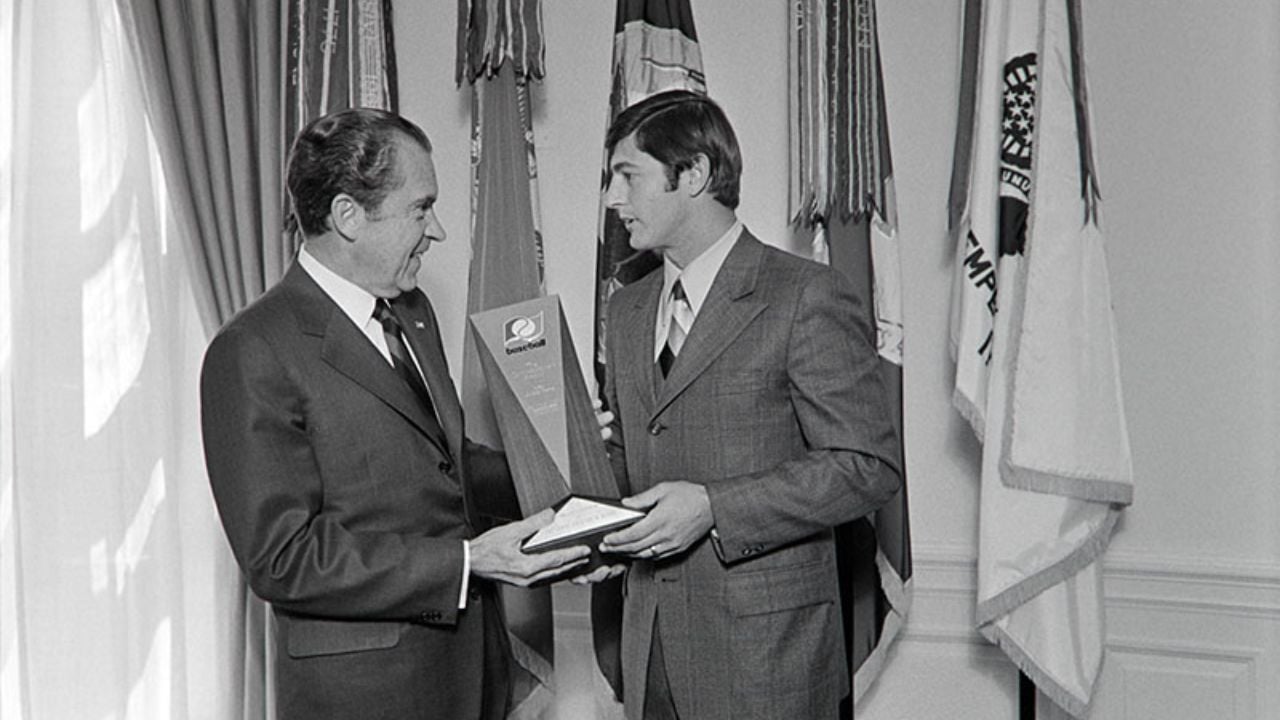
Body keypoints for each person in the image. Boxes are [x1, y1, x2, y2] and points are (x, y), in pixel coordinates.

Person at [199, 107, 589, 720]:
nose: (435, 231)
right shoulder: (252, 349)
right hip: (366, 696)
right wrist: (469, 560)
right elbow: (283, 557)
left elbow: (449, 467)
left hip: (472, 673)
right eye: (420, 207)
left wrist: (560, 463)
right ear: (348, 216)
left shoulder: (414, 312)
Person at [591, 90, 904, 719]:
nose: (611, 200)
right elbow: (633, 460)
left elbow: (867, 466)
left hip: (768, 664)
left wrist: (715, 507)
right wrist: (590, 465)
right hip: (648, 654)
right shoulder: (625, 310)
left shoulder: (804, 296)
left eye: (628, 176)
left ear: (696, 175)